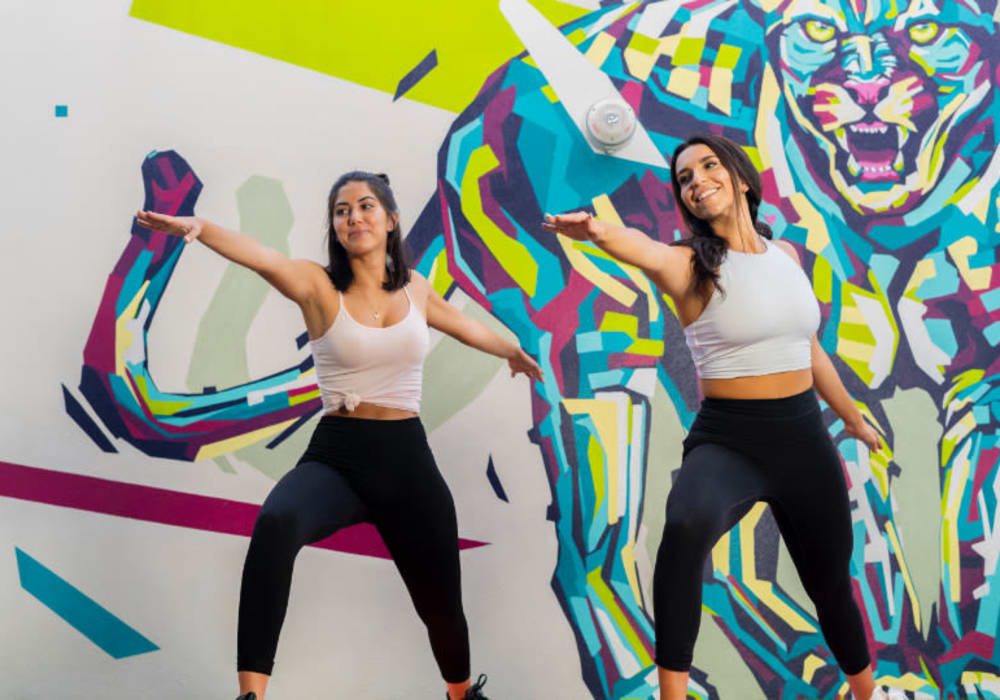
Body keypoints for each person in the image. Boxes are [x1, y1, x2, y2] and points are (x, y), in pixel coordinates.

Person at [136, 170, 543, 700]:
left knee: (441, 605)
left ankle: (462, 695)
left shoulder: (415, 289)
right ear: (335, 226)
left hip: (407, 462)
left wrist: (509, 352)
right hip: (339, 457)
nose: (353, 217)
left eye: (366, 205)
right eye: (342, 210)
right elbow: (262, 256)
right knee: (278, 523)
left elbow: (461, 324)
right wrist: (200, 227)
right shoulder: (317, 284)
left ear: (391, 219)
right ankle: (250, 694)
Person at [542, 134, 886, 700]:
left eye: (708, 166)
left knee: (830, 584)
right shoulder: (687, 265)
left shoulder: (787, 258)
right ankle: (672, 694)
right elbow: (640, 247)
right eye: (684, 178)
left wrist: (850, 418)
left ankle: (867, 692)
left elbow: (810, 348)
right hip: (730, 441)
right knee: (685, 525)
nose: (696, 180)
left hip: (804, 438)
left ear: (742, 179)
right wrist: (600, 233)